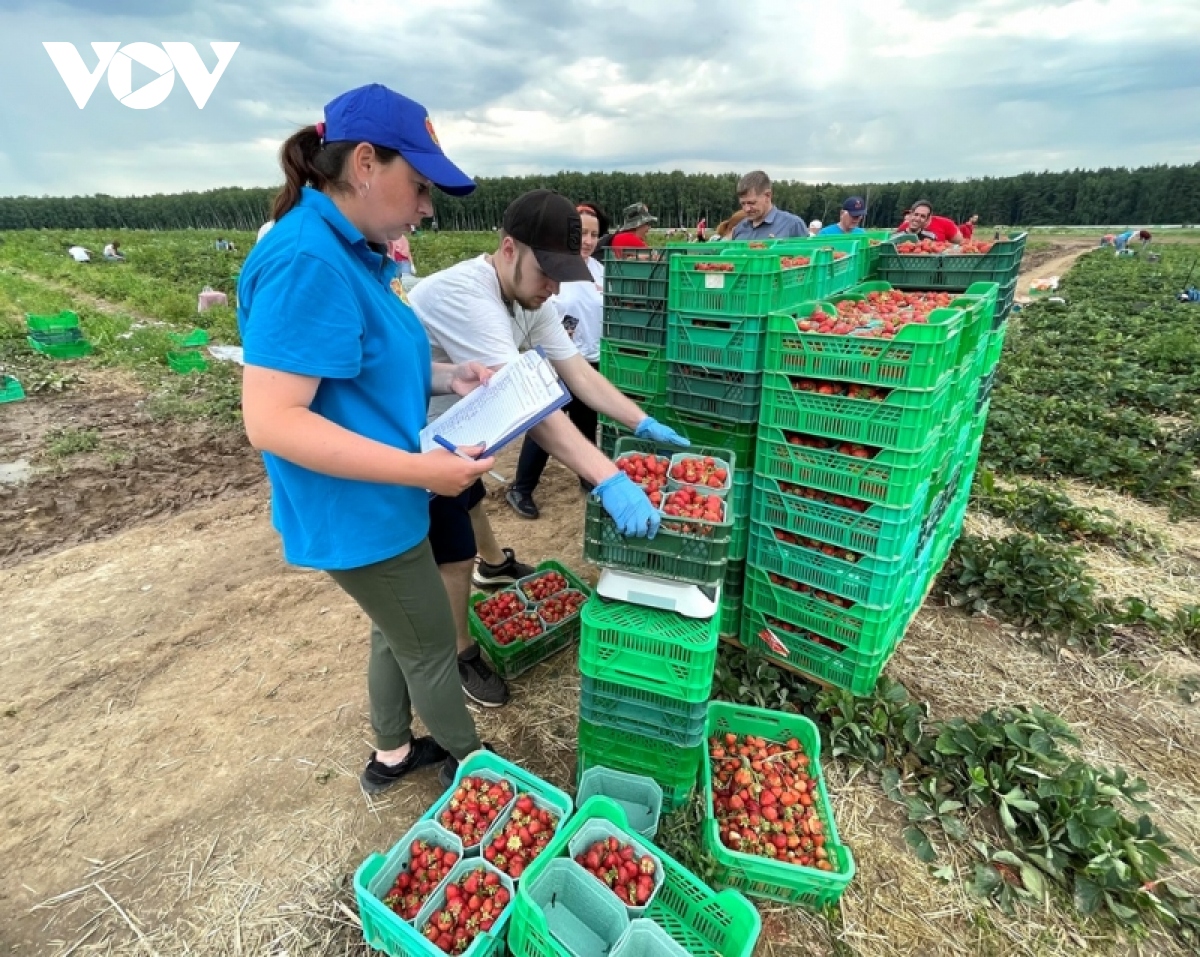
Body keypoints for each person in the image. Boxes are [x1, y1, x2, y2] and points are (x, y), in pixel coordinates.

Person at [236, 82, 495, 794]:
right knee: (432, 645)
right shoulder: (307, 260)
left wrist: (450, 377)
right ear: (366, 165)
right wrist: (423, 469)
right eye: (418, 186)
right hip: (362, 508)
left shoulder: (350, 252)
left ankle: (391, 752)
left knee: (396, 627)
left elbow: (360, 373)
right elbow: (275, 418)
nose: (425, 207)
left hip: (381, 501)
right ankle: (477, 773)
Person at [410, 190, 689, 704]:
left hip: (465, 427)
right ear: (510, 249)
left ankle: (494, 567)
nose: (554, 287)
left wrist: (641, 419)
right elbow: (528, 410)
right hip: (420, 436)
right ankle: (458, 653)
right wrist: (610, 478)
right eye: (548, 272)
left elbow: (577, 372)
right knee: (451, 552)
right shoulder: (468, 296)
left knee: (470, 504)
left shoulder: (527, 295)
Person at [505, 201, 609, 519]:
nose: (589, 240)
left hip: (590, 358)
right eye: (583, 233)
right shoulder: (556, 269)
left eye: (594, 234)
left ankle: (588, 475)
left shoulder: (598, 270)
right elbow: (549, 313)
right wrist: (565, 337)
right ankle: (520, 488)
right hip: (558, 360)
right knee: (549, 424)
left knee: (587, 422)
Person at [730, 171, 807, 240]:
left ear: (768, 195)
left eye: (752, 203)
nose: (747, 209)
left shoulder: (793, 225)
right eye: (743, 203)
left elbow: (807, 254)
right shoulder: (740, 228)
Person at [894, 200, 963, 244]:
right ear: (910, 214)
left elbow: (960, 243)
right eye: (916, 214)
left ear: (928, 218)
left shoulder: (932, 237)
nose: (917, 218)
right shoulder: (900, 232)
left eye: (922, 216)